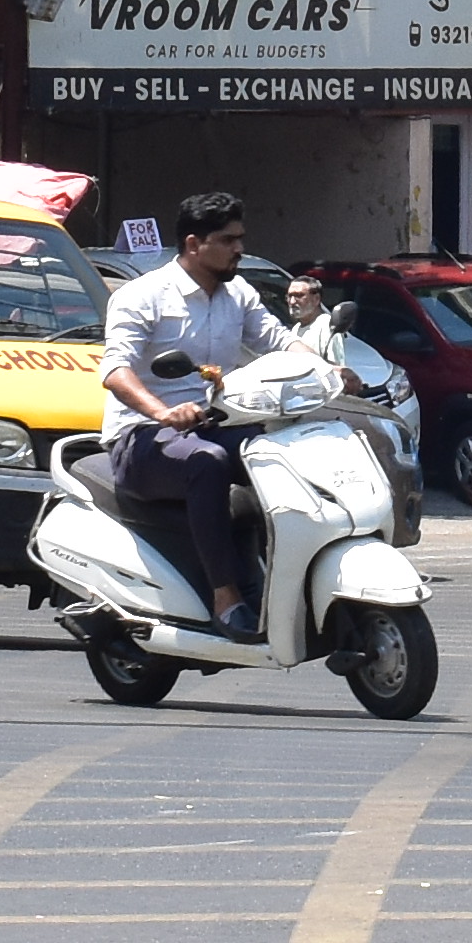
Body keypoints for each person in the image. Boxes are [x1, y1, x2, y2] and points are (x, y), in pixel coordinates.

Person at [99, 189, 287, 639]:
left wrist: (334, 370)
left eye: (240, 238)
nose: (239, 248)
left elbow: (278, 342)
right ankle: (226, 598)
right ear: (193, 245)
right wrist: (163, 412)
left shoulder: (237, 293)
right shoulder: (142, 296)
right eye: (228, 240)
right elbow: (115, 371)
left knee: (284, 453)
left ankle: (280, 580)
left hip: (216, 423)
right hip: (143, 438)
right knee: (208, 463)